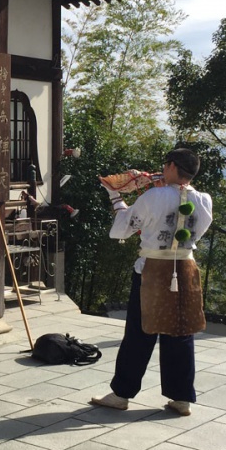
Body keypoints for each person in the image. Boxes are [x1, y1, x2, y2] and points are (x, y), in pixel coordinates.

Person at [91, 147, 213, 416]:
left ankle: (122, 393)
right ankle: (181, 397)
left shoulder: (154, 196)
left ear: (170, 166)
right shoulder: (204, 200)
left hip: (153, 268)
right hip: (185, 266)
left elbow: (123, 227)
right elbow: (197, 232)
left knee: (140, 332)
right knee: (181, 331)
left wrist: (114, 196)